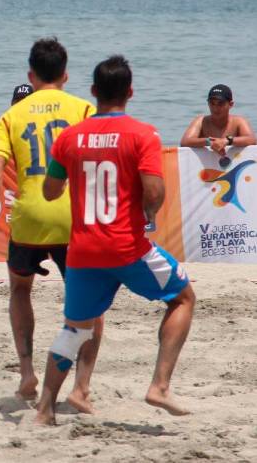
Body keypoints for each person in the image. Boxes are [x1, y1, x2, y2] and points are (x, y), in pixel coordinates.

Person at [35, 55, 196, 425]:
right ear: (130, 92)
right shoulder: (143, 134)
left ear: (93, 92)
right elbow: (154, 191)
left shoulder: (69, 137)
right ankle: (159, 386)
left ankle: (45, 409)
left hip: (83, 251)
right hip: (126, 246)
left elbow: (49, 190)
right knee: (183, 297)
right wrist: (148, 215)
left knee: (74, 329)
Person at [0, 38, 102, 407]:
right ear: (65, 75)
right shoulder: (83, 108)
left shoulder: (11, 115)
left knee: (19, 290)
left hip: (29, 217)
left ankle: (28, 372)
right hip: (72, 217)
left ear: (31, 75)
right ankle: (80, 388)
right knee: (91, 303)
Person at [179, 84, 255, 156]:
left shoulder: (239, 121)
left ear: (231, 104)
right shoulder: (200, 121)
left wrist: (227, 141)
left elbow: (252, 140)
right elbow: (185, 142)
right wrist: (209, 141)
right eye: (212, 103)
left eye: (220, 104)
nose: (215, 108)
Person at [0, 84, 34, 153]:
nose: (20, 105)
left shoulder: (40, 120)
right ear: (12, 104)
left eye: (25, 101)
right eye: (18, 101)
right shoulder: (8, 121)